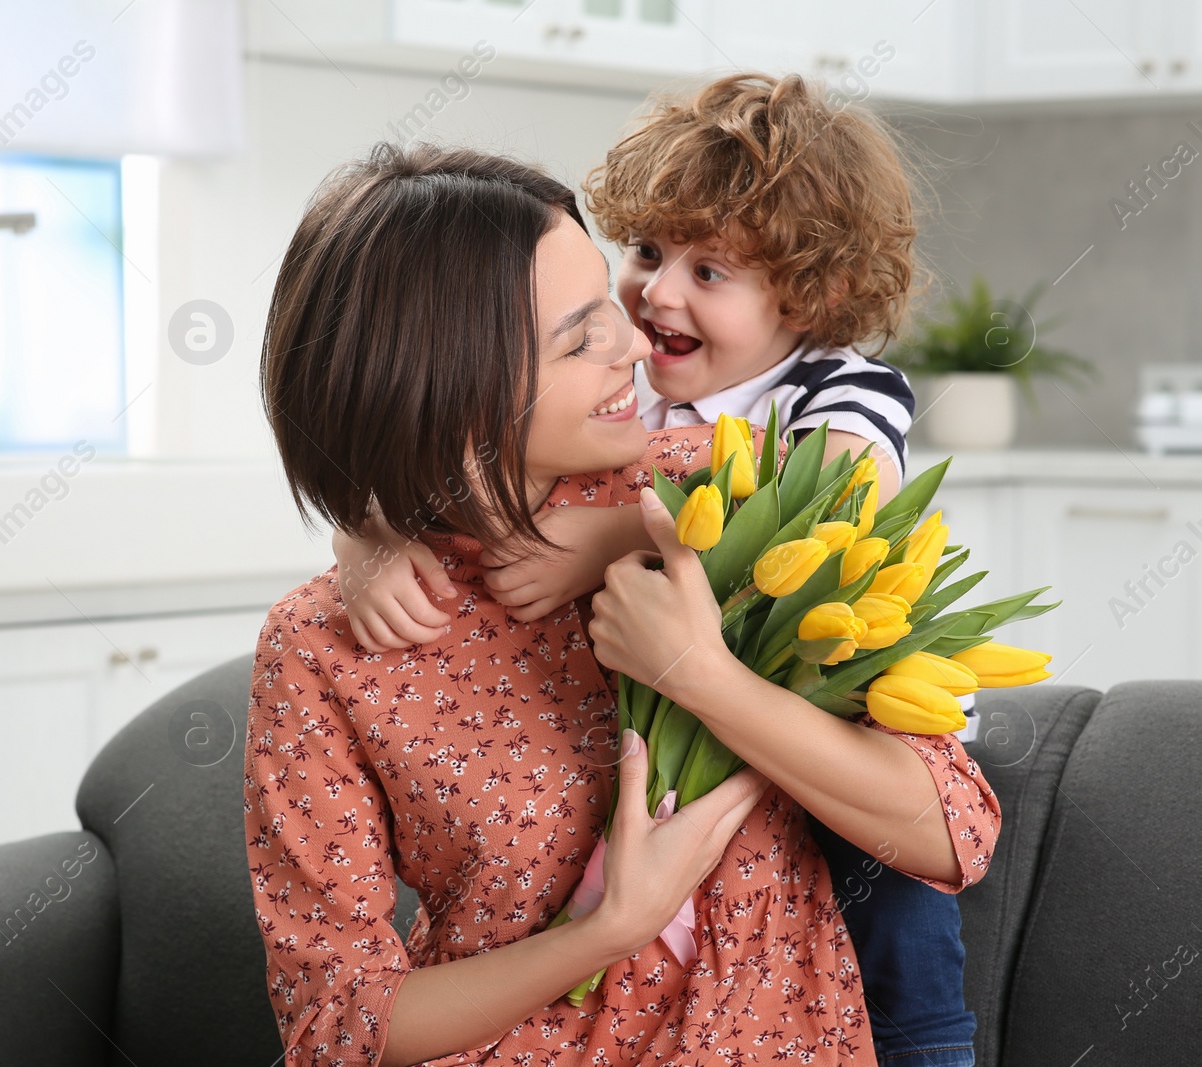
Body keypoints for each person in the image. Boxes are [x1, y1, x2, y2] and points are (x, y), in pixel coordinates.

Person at [246, 141, 998, 1066]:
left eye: (612, 305)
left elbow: (951, 831)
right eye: (582, 335)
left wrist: (701, 674)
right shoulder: (325, 646)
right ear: (450, 388)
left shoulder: (716, 500)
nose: (640, 342)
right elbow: (338, 1027)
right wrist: (604, 930)